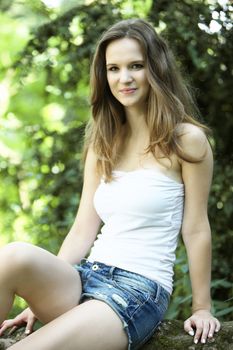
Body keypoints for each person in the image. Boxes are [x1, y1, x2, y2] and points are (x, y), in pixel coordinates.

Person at [0, 18, 220, 350]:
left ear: (156, 69)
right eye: (113, 68)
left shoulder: (187, 140)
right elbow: (82, 229)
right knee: (11, 256)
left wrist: (202, 307)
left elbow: (196, 228)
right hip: (86, 277)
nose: (124, 78)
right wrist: (38, 298)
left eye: (136, 66)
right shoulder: (104, 141)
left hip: (137, 292)